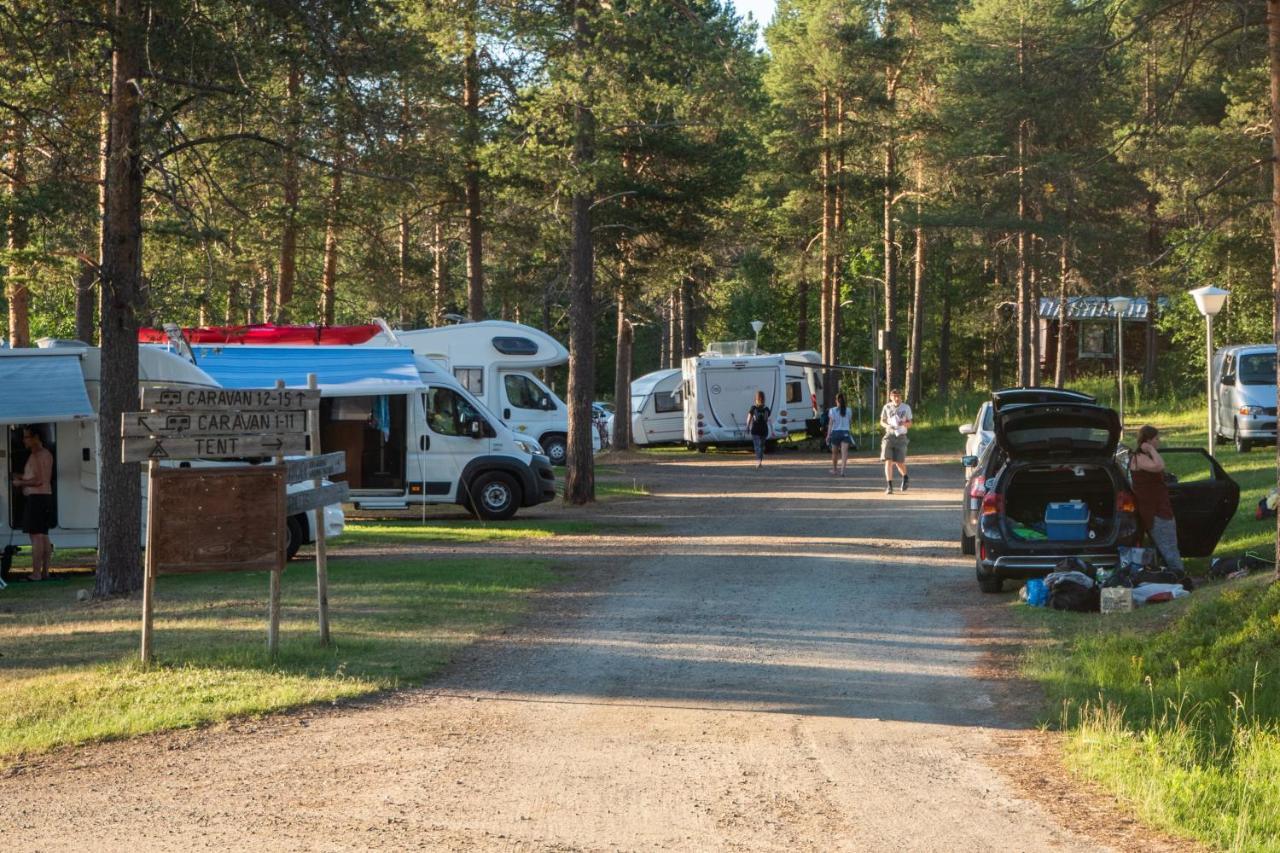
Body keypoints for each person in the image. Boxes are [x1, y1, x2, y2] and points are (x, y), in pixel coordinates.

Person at [1129, 424, 1184, 571]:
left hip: (1158, 506)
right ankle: (1180, 576)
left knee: (1167, 546)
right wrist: (1151, 449)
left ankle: (1172, 574)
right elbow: (1159, 466)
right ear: (1148, 440)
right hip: (1155, 510)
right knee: (1169, 546)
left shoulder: (1143, 457)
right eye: (1156, 439)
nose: (1158, 441)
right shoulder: (1139, 458)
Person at [13, 424, 54, 580]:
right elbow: (42, 477)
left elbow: (38, 480)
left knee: (35, 537)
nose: (24, 441)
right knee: (43, 535)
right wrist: (22, 476)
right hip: (46, 497)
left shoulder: (36, 455)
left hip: (36, 498)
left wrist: (20, 483)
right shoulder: (47, 454)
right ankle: (45, 572)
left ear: (36, 437)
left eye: (26, 437)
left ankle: (36, 573)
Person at [879, 389, 912, 494]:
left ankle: (905, 477)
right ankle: (889, 486)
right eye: (894, 396)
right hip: (889, 435)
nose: (897, 398)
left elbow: (910, 423)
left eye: (898, 396)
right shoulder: (887, 407)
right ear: (890, 397)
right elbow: (882, 421)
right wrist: (887, 425)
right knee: (888, 460)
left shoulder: (906, 407)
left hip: (901, 436)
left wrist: (903, 424)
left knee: (899, 462)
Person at [826, 392, 853, 476]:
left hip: (835, 433)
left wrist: (828, 435)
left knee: (835, 453)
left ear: (836, 400)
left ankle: (834, 469)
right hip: (845, 432)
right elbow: (850, 421)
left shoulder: (832, 410)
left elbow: (830, 424)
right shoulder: (848, 410)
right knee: (844, 453)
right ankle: (842, 471)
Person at [746, 391, 771, 469]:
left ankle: (758, 461)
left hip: (755, 430)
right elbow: (766, 419)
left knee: (757, 446)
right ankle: (760, 461)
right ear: (764, 399)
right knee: (761, 446)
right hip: (764, 429)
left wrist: (747, 427)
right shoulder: (766, 409)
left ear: (756, 398)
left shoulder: (753, 408)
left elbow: (749, 418)